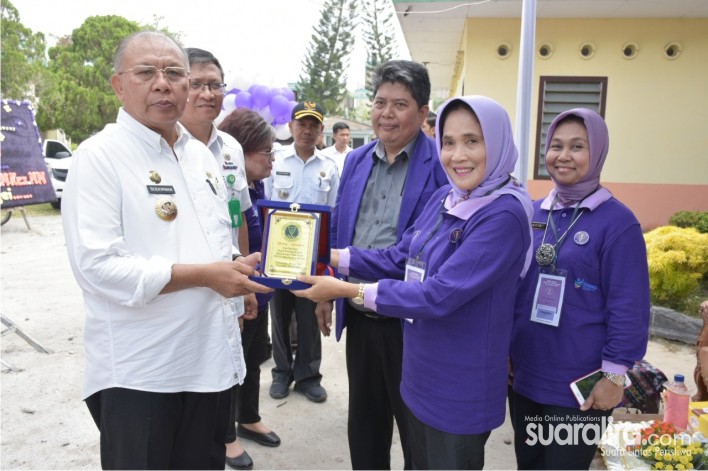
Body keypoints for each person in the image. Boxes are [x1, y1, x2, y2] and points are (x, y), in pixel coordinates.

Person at [61, 31, 271, 470]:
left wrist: (236, 277)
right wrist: (205, 275)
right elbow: (97, 267)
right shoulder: (101, 156)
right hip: (144, 375)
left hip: (210, 361)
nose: (163, 83)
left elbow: (216, 238)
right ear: (118, 84)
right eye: (146, 72)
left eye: (175, 73)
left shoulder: (200, 156)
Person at [294, 95, 533, 469]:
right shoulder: (447, 197)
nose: (457, 155)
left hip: (459, 384)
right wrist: (329, 257)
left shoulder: (503, 215)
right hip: (419, 370)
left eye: (473, 141)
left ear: (498, 143)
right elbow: (401, 256)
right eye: (448, 142)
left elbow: (437, 295)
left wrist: (346, 289)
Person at [316, 60, 448, 470]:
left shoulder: (442, 167)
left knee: (416, 435)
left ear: (423, 112)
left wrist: (338, 261)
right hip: (358, 314)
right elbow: (339, 226)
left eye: (400, 104)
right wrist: (327, 287)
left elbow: (417, 252)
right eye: (379, 102)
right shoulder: (355, 160)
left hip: (409, 324)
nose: (386, 113)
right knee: (366, 428)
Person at [508, 108, 651, 469]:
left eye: (577, 146)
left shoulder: (618, 223)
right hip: (525, 376)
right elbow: (514, 288)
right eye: (555, 146)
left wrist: (614, 376)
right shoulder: (533, 212)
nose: (563, 156)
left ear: (598, 152)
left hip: (579, 387)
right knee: (530, 464)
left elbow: (629, 306)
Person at [179, 47, 271, 471]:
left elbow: (240, 218)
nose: (206, 93)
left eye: (214, 84)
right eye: (196, 83)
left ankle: (226, 436)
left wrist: (245, 283)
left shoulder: (231, 149)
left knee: (232, 363)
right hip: (181, 290)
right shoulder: (161, 146)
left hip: (230, 281)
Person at [217, 108, 281, 469]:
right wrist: (244, 290)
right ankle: (226, 435)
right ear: (240, 152)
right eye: (266, 153)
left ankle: (249, 416)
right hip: (236, 290)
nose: (272, 160)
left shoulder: (258, 186)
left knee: (254, 355)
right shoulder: (223, 187)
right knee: (230, 360)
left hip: (260, 289)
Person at [263, 101, 340, 403]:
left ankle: (309, 376)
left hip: (311, 257)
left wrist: (327, 259)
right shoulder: (276, 161)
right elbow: (266, 205)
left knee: (310, 314)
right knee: (280, 315)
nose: (307, 131)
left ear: (321, 130)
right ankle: (282, 373)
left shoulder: (329, 168)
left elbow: (332, 213)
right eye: (302, 124)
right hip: (279, 254)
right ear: (292, 127)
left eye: (313, 125)